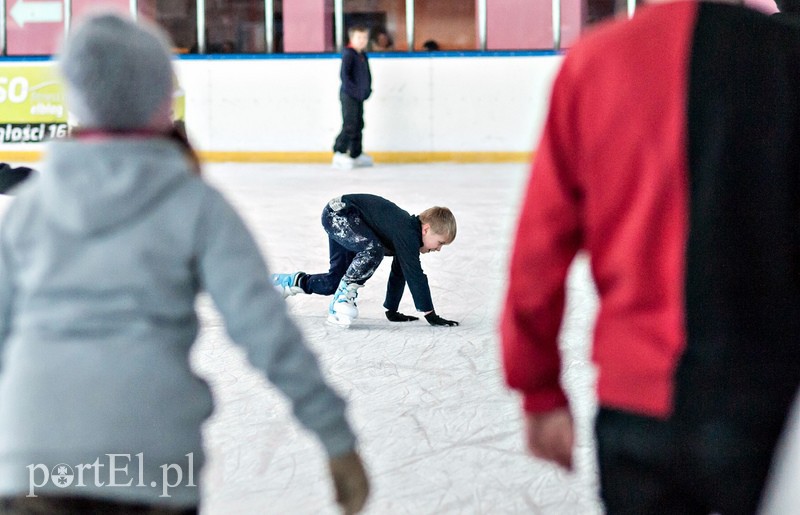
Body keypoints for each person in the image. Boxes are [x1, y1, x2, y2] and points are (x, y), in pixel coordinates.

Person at [0, 13, 369, 515]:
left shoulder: (28, 210)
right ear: (160, 100)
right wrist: (335, 435)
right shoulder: (195, 205)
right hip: (154, 460)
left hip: (32, 460)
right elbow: (265, 328)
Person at [500, 1, 800, 514]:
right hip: (763, 407)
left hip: (637, 406)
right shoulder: (786, 56)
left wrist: (539, 390)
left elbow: (537, 252)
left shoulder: (594, 62)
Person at [272, 194, 459, 328]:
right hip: (340, 214)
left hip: (346, 219)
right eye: (440, 242)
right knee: (372, 249)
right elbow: (415, 275)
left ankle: (287, 282)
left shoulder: (407, 237)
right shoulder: (408, 233)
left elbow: (400, 273)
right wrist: (431, 315)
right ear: (426, 229)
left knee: (332, 283)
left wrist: (391, 311)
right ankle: (342, 301)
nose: (438, 249)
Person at [332, 26, 373, 170]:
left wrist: (367, 90)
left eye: (365, 38)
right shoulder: (349, 54)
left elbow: (366, 75)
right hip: (349, 96)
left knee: (359, 124)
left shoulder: (362, 55)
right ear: (352, 38)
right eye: (359, 38)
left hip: (359, 96)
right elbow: (345, 76)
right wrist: (355, 92)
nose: (362, 41)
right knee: (349, 124)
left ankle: (356, 153)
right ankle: (339, 152)